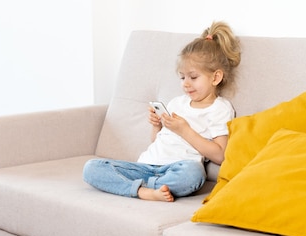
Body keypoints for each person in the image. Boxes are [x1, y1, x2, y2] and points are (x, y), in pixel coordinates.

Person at [83, 21, 241, 202]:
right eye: (182, 77)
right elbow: (158, 142)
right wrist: (156, 127)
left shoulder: (219, 109)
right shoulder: (176, 103)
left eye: (193, 77)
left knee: (194, 175)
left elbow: (220, 155)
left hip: (179, 168)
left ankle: (135, 188)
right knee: (91, 168)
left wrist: (184, 130)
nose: (186, 84)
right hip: (145, 166)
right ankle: (145, 191)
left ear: (216, 77)